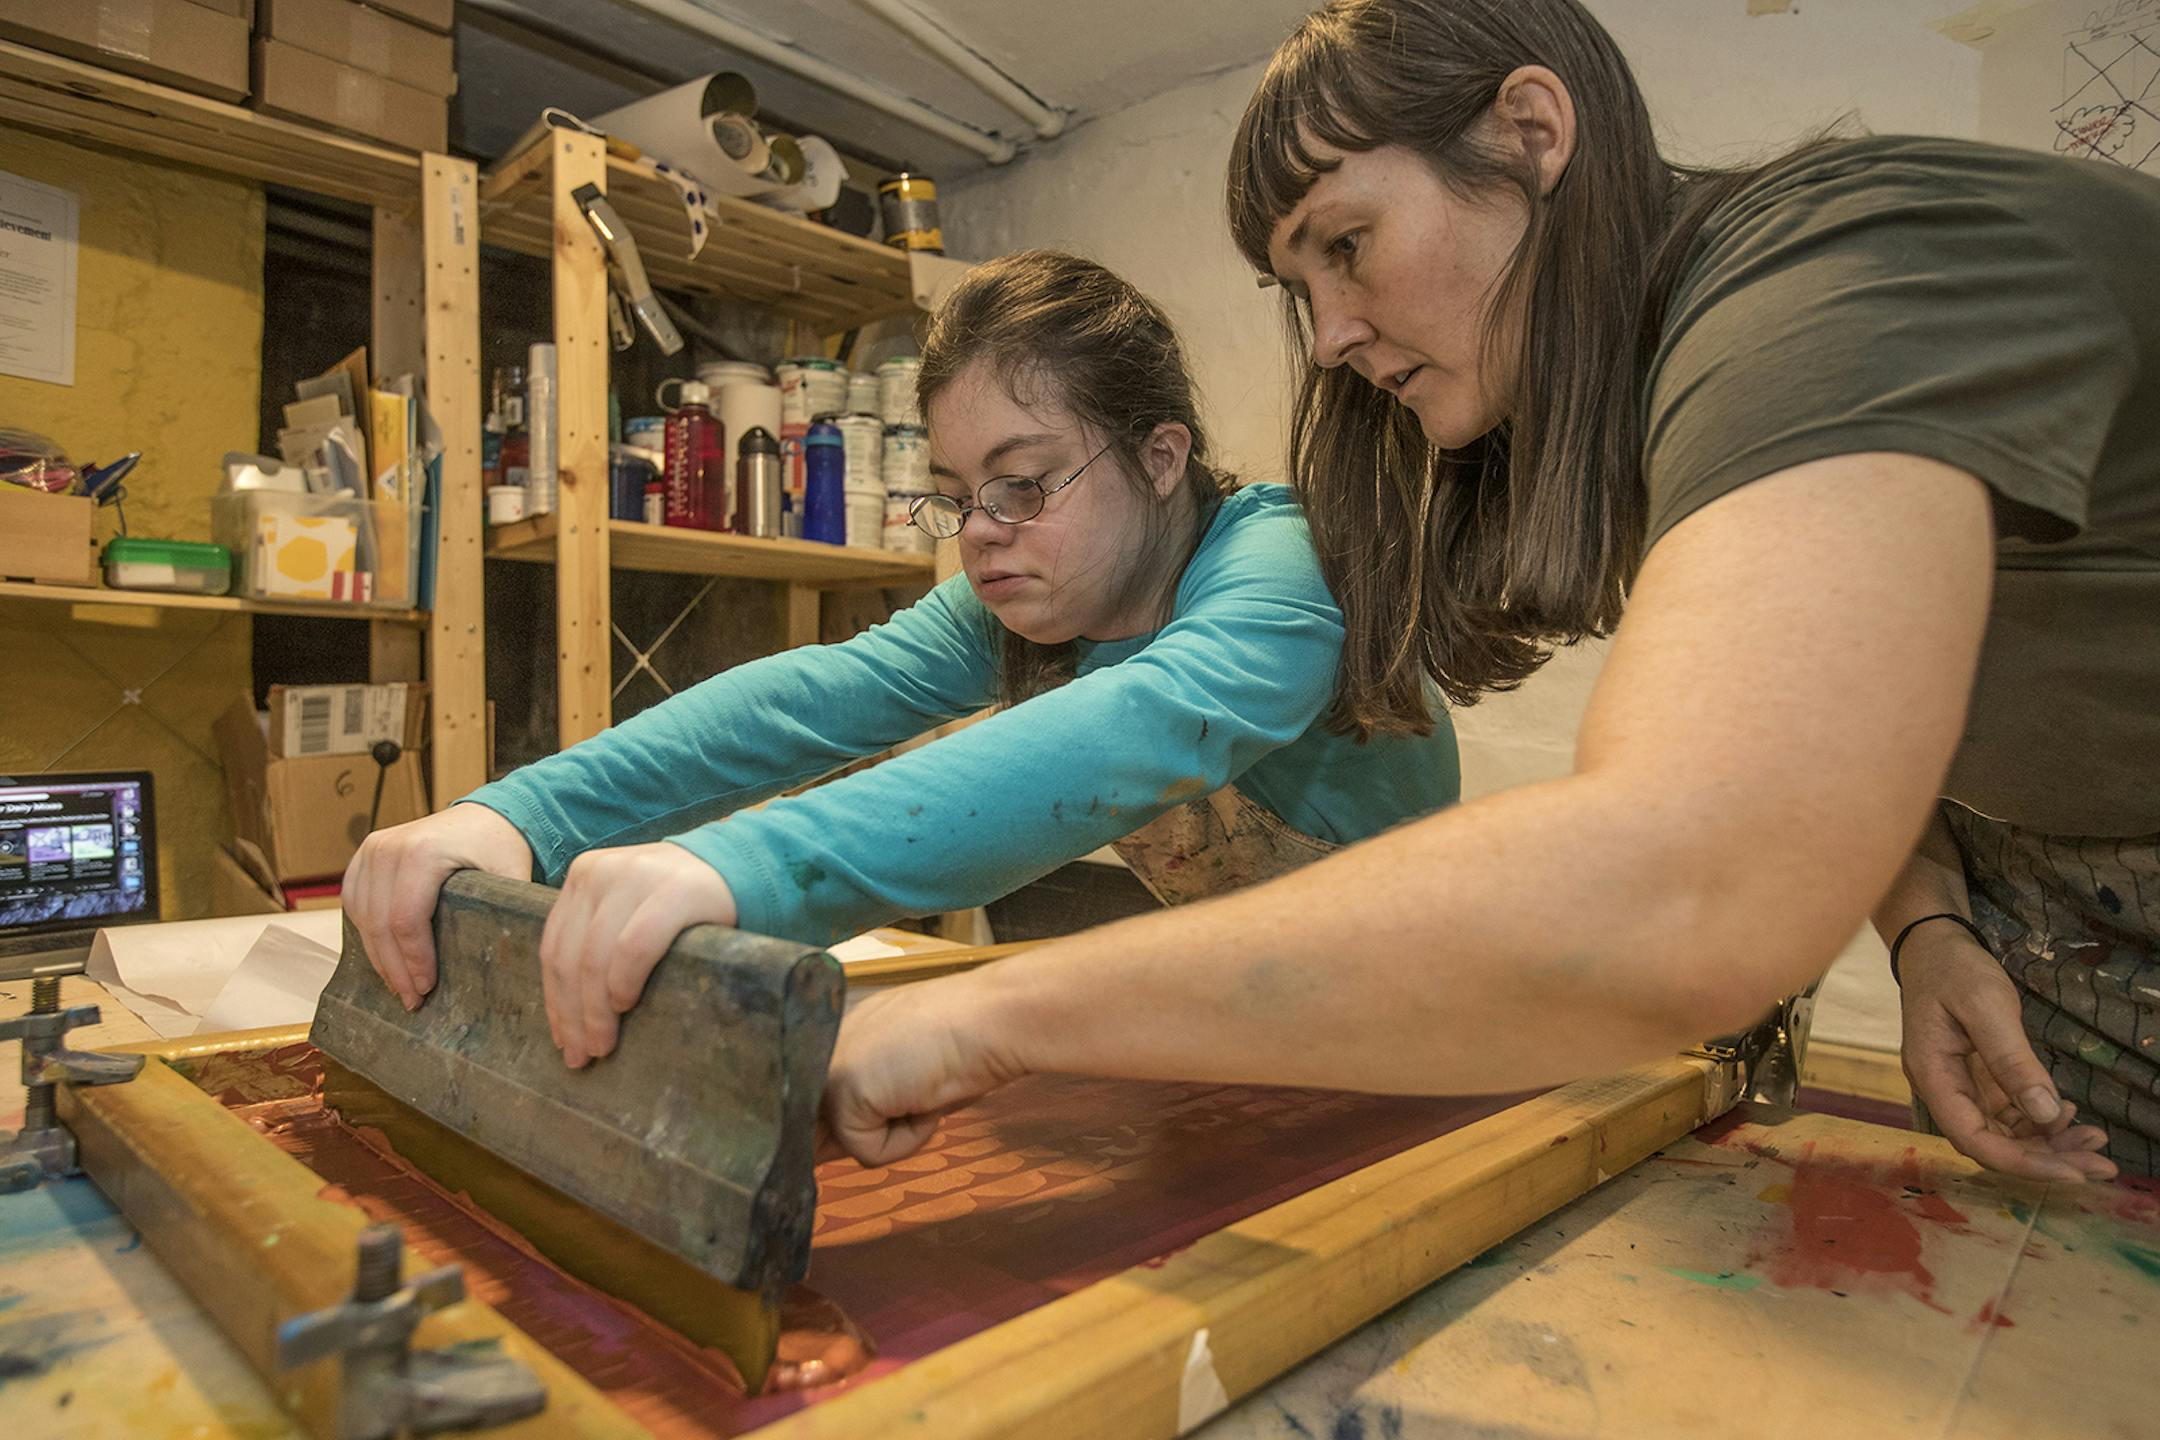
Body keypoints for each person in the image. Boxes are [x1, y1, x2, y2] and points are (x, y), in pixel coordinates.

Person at [814, 0, 2156, 1183]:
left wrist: (1001, 1014)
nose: (1331, 337)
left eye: (1346, 243)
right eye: (1299, 288)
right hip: (2047, 919)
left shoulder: (1841, 282)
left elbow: (1680, 886)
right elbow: (1859, 687)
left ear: (1528, 132)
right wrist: (1926, 920)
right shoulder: (1663, 402)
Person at [344, 250, 1460, 1070]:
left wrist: (744, 872)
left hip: (1433, 1027)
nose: (981, 529)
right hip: (1261, 1018)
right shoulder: (1033, 599)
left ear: (1162, 456)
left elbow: (1147, 722)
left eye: (1025, 482)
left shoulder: (1284, 564)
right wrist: (518, 817)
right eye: (960, 495)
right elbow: (818, 695)